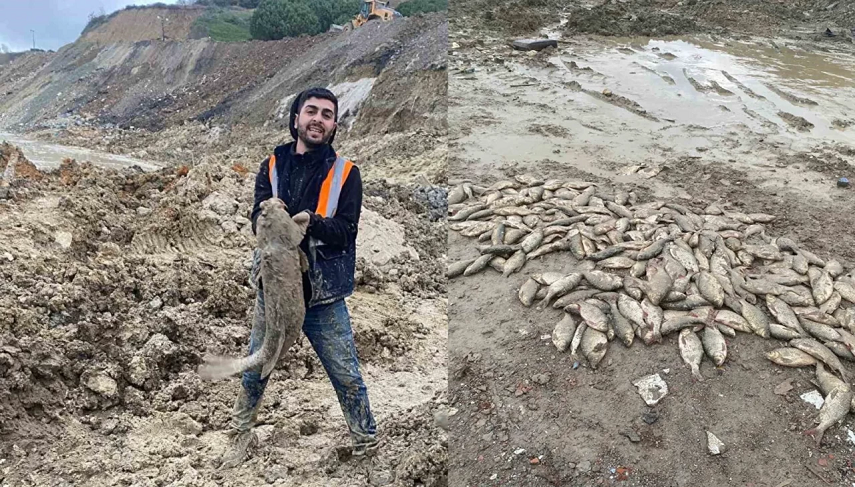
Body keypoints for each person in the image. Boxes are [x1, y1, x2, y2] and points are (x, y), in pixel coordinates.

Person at [221, 87, 378, 468]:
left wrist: (314, 224)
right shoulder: (273, 165)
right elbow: (256, 217)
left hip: (323, 297)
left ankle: (367, 447)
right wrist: (267, 222)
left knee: (346, 375)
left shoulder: (347, 173)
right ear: (296, 119)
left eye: (327, 115)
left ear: (334, 126)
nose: (318, 120)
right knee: (257, 367)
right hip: (273, 292)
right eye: (311, 111)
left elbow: (347, 230)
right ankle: (240, 435)